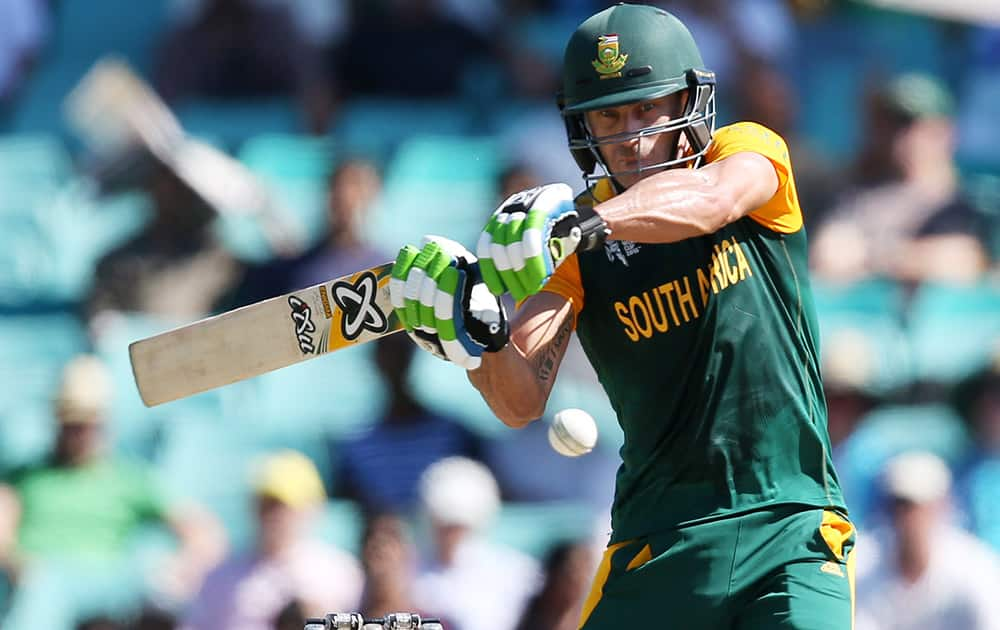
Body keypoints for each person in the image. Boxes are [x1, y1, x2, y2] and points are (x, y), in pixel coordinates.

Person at [389, 4, 854, 628]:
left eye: (647, 108)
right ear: (584, 128)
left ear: (688, 103)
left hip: (791, 522)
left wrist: (586, 223)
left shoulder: (748, 152)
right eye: (610, 115)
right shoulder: (574, 253)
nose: (631, 135)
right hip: (657, 539)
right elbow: (518, 400)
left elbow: (712, 200)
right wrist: (478, 335)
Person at [0, 356, 225, 630]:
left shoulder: (129, 478)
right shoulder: (24, 477)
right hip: (46, 576)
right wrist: (17, 562)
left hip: (111, 581)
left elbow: (203, 532)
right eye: (73, 425)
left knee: (152, 583)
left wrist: (179, 566)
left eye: (90, 424)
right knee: (42, 589)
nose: (82, 434)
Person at [811, 73, 991, 285]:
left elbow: (963, 262)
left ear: (947, 132)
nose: (905, 138)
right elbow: (830, 255)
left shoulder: (976, 200)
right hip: (868, 314)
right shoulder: (857, 198)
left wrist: (873, 255)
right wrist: (914, 258)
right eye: (896, 126)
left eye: (918, 126)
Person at [180, 450, 363, 630]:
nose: (274, 515)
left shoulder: (340, 574)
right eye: (266, 503)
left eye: (283, 506)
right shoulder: (221, 576)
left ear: (313, 508)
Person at [330, 333, 484, 514]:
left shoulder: (454, 434)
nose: (394, 363)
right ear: (376, 361)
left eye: (400, 354)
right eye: (388, 355)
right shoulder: (356, 445)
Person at [854, 451, 1000, 630]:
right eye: (900, 506)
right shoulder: (860, 563)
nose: (910, 518)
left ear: (943, 507)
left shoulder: (978, 568)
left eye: (918, 507)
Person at [411, 457, 540, 630]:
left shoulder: (518, 574)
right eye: (443, 525)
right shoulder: (406, 574)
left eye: (459, 527)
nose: (451, 537)